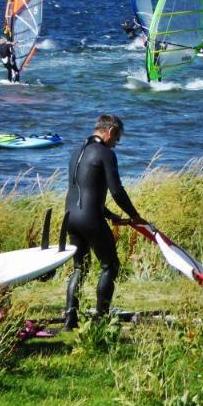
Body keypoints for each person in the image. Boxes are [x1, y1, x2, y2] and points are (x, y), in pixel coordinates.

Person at [62, 114, 144, 329]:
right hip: (90, 218)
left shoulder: (76, 151)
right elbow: (116, 190)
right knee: (110, 265)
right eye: (117, 138)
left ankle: (70, 318)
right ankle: (100, 318)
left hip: (70, 218)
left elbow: (83, 191)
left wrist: (110, 215)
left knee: (80, 267)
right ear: (111, 131)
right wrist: (134, 215)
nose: (116, 143)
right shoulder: (105, 153)